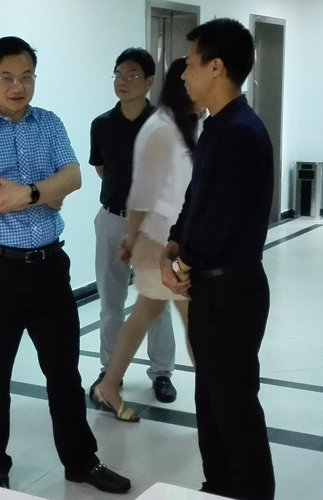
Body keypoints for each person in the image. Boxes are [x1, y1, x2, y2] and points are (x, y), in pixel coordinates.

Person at [0, 36, 131, 494]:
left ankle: (81, 461)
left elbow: (72, 177)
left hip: (50, 266)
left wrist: (26, 192)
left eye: (27, 77)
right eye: (6, 78)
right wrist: (45, 193)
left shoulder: (48, 122)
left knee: (64, 372)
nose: (18, 87)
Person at [161, 19, 275, 499]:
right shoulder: (218, 125)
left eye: (190, 64)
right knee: (211, 399)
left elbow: (221, 219)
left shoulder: (240, 133)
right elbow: (197, 198)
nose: (183, 74)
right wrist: (173, 242)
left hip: (231, 289)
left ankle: (248, 491)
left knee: (234, 406)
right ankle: (219, 487)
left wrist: (183, 263)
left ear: (216, 67)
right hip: (210, 284)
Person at [93, 58, 197, 422]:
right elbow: (140, 193)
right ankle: (215, 399)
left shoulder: (180, 124)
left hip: (168, 238)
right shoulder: (162, 128)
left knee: (148, 314)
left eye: (132, 75)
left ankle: (111, 384)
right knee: (189, 318)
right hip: (159, 241)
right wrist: (133, 238)